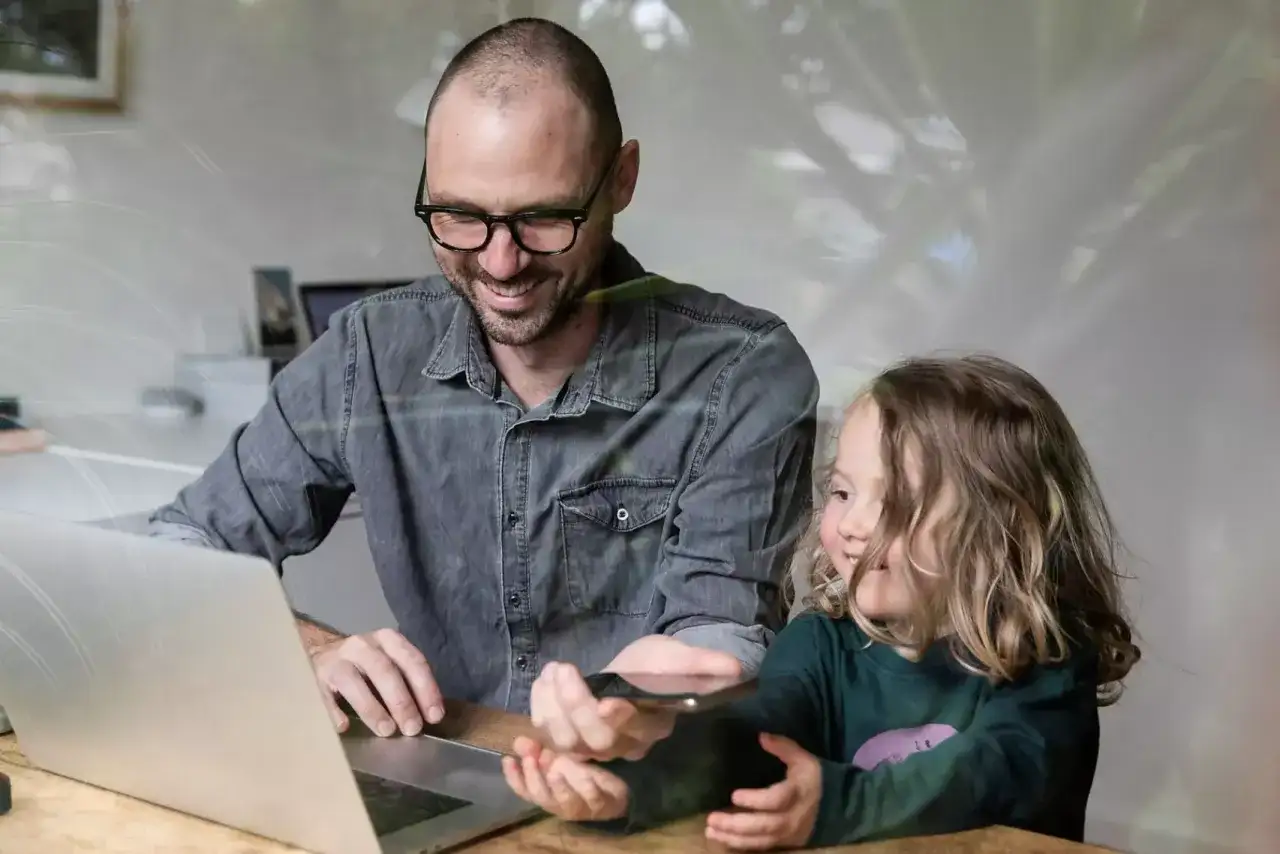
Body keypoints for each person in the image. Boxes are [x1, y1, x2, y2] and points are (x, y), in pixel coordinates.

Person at [147, 17, 819, 738]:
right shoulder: (368, 351)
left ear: (621, 179)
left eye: (545, 219)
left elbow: (721, 634)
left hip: (648, 780)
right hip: (437, 770)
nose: (501, 264)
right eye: (460, 215)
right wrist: (306, 650)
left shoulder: (741, 372)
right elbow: (180, 547)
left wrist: (638, 707)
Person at [503, 354, 1141, 849]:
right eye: (842, 493)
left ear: (1003, 531)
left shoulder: (1048, 663)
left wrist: (837, 804)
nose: (855, 525)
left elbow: (994, 772)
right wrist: (628, 781)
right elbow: (749, 741)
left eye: (898, 502)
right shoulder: (818, 643)